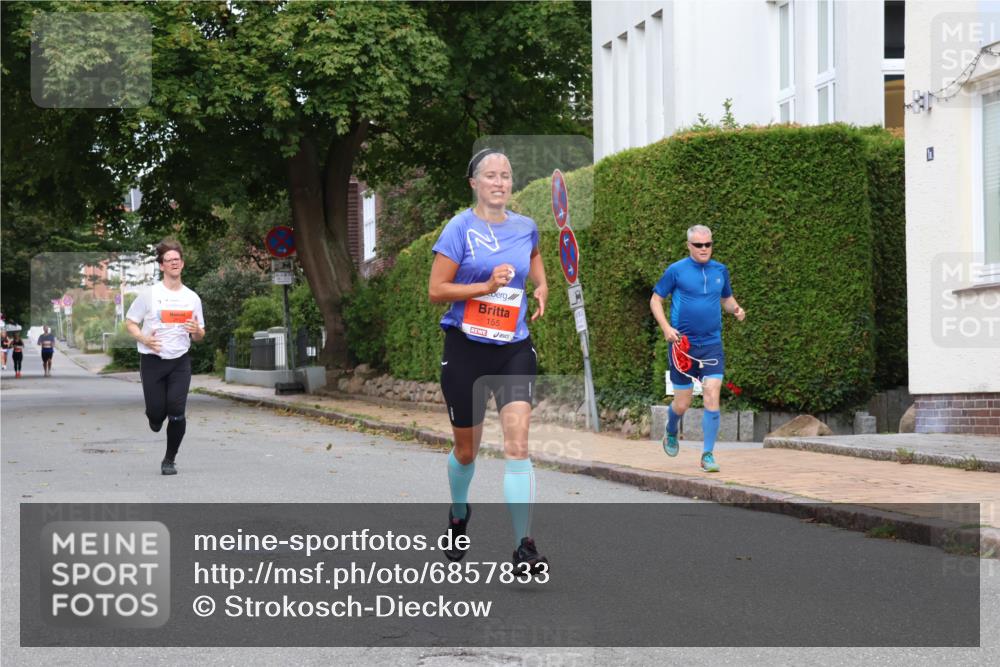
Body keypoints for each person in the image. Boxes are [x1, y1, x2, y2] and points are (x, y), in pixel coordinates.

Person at [428, 148, 549, 573]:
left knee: (518, 446)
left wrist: (541, 286)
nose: (500, 183)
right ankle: (459, 512)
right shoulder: (459, 229)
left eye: (506, 176)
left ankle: (523, 545)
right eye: (491, 176)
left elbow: (533, 258)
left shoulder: (526, 227)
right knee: (467, 451)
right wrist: (482, 287)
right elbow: (437, 290)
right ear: (474, 184)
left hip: (514, 348)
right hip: (466, 350)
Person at [649, 225, 746, 473]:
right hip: (682, 346)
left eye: (708, 244)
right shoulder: (676, 270)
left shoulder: (720, 270)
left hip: (712, 345)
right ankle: (671, 429)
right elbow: (656, 300)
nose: (704, 249)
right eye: (698, 245)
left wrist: (736, 309)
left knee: (712, 393)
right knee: (682, 403)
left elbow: (726, 299)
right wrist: (666, 328)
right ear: (689, 246)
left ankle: (708, 455)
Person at [125, 240, 205, 476]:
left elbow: (200, 334)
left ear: (183, 264)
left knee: (177, 411)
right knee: (157, 412)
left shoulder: (192, 298)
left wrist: (197, 331)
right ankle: (154, 418)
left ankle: (169, 459)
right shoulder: (150, 295)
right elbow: (130, 322)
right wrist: (143, 339)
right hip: (152, 360)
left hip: (180, 360)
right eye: (169, 260)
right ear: (162, 265)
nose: (174, 262)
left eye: (177, 259)